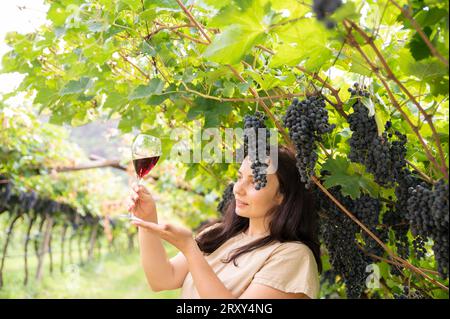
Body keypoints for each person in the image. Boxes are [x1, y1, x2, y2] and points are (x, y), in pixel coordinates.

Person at [126, 145, 322, 299]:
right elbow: (161, 279)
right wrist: (147, 218)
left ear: (283, 195)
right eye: (239, 177)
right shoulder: (219, 234)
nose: (238, 189)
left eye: (254, 182)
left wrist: (190, 249)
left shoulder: (293, 256)